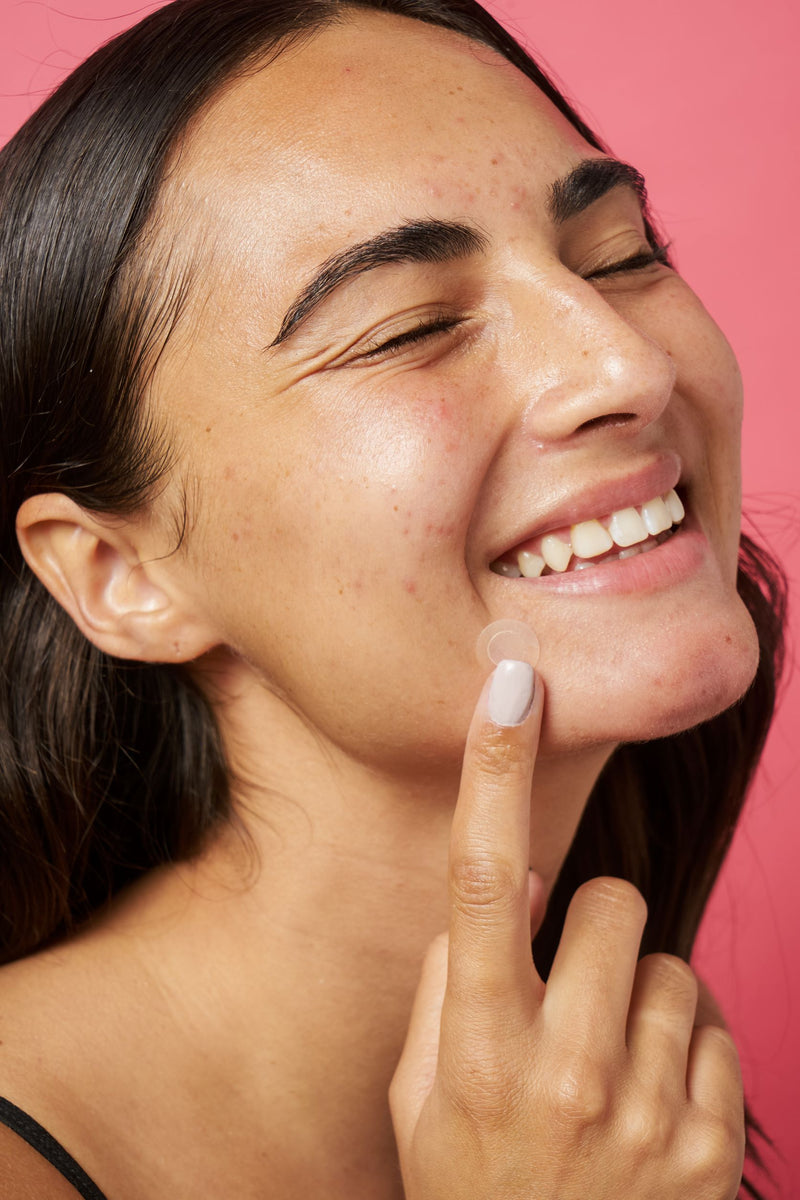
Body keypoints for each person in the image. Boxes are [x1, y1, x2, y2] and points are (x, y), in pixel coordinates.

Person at [0, 0, 786, 1195]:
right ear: (120, 576)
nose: (623, 365)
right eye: (408, 327)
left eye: (620, 255)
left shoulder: (626, 1097)